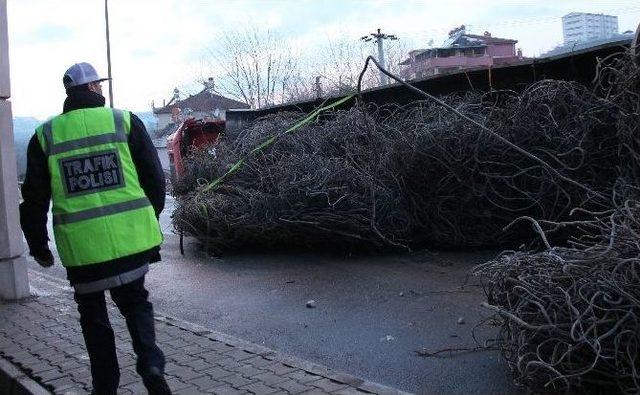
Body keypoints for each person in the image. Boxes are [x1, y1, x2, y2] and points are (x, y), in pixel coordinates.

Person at [20, 62, 172, 395]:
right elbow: (154, 179)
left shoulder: (45, 135)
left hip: (84, 254)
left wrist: (39, 247)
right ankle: (150, 363)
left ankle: (105, 385)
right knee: (136, 304)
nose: (102, 89)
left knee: (93, 318)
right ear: (90, 89)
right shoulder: (124, 121)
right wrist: (149, 218)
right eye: (98, 85)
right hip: (132, 245)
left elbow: (33, 199)